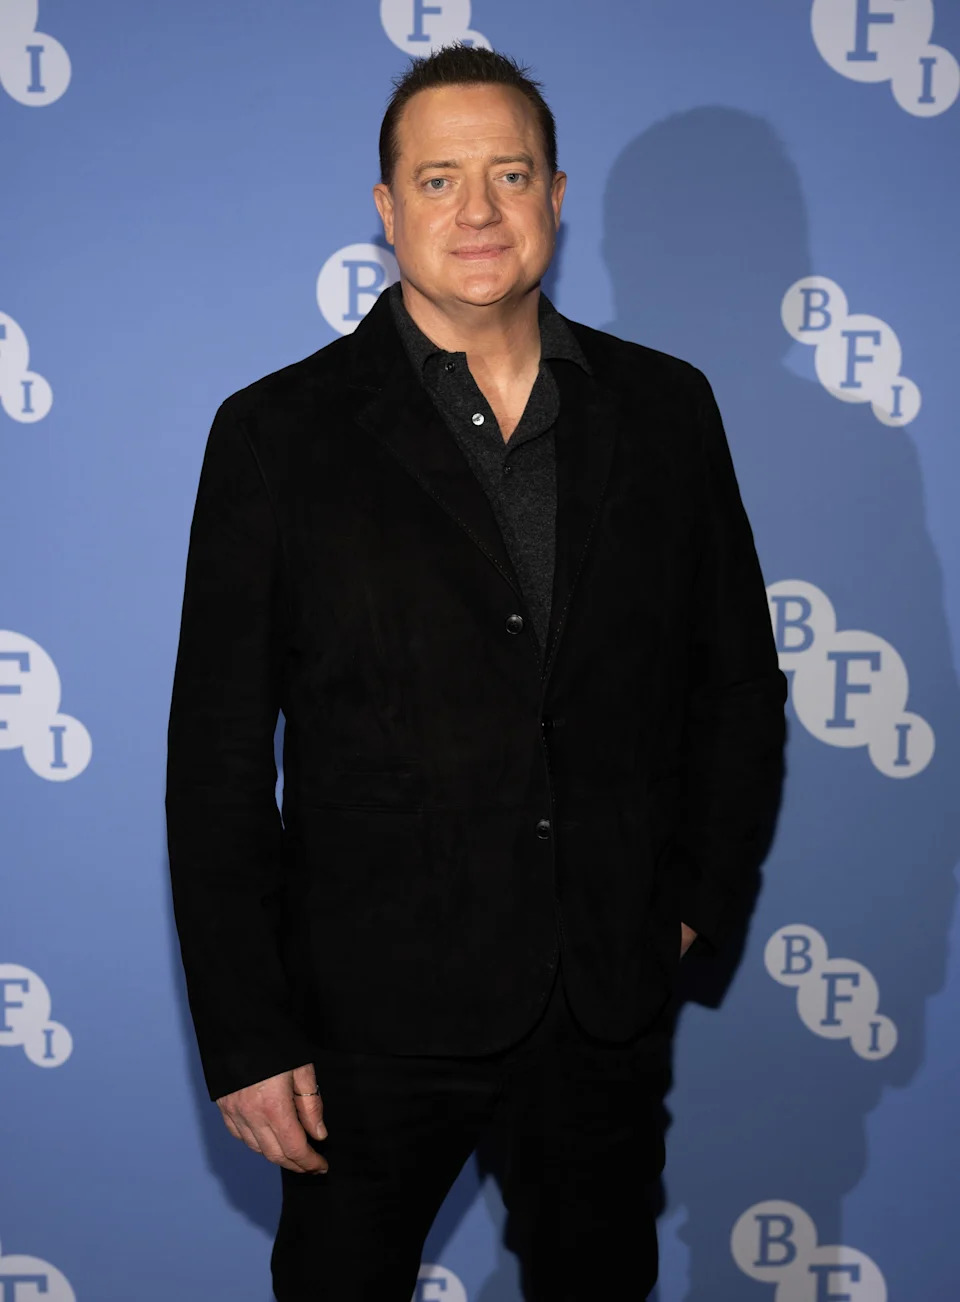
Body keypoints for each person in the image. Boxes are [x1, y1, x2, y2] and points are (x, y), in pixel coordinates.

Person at [165, 43, 786, 1302]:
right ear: (387, 209)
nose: (479, 211)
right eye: (438, 179)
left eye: (509, 173)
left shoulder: (667, 411)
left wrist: (685, 907)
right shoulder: (276, 434)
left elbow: (736, 690)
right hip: (363, 1022)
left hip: (601, 1004)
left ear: (556, 195)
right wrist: (248, 1034)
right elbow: (217, 759)